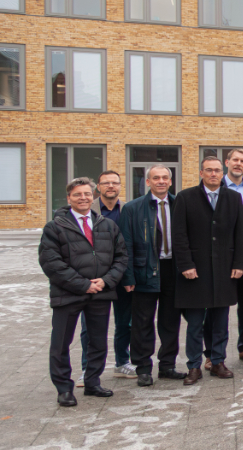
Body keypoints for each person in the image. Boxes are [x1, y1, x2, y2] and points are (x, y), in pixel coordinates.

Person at [39, 177, 128, 406]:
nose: (83, 198)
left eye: (87, 194)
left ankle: (92, 382)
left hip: (100, 293)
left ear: (93, 196)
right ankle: (64, 389)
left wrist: (106, 281)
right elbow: (51, 263)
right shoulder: (55, 227)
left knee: (98, 341)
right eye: (77, 194)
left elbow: (121, 257)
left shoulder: (107, 225)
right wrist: (83, 284)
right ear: (68, 198)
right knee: (61, 343)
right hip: (68, 294)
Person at [174, 156, 243, 382]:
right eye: (209, 170)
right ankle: (194, 366)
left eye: (217, 170)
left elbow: (240, 233)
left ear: (221, 173)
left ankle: (217, 362)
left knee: (221, 322)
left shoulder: (233, 198)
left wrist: (239, 264)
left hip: (225, 269)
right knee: (195, 323)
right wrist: (186, 264)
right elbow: (179, 234)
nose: (213, 174)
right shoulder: (185, 197)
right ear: (201, 173)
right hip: (196, 270)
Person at [118, 164, 185, 386]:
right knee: (142, 322)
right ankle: (143, 368)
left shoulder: (180, 204)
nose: (161, 181)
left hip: (173, 270)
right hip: (143, 270)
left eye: (165, 177)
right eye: (156, 178)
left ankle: (167, 366)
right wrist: (128, 276)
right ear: (148, 182)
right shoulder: (132, 208)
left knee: (170, 321)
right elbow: (125, 245)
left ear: (171, 181)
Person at [94, 170, 134, 380]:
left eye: (115, 183)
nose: (111, 186)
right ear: (98, 187)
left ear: (120, 185)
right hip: (96, 277)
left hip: (122, 274)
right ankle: (88, 368)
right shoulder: (89, 209)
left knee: (125, 322)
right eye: (106, 183)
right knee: (92, 325)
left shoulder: (129, 209)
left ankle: (122, 362)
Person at [222, 149, 243, 362]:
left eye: (242, 161)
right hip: (222, 253)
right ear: (227, 162)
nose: (238, 163)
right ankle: (213, 354)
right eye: (235, 160)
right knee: (218, 307)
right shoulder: (216, 185)